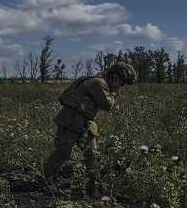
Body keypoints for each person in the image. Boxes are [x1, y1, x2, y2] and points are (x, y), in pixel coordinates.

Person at [44, 61, 137, 198]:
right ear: (114, 77)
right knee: (62, 153)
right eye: (121, 83)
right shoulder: (97, 83)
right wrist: (114, 93)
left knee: (92, 156)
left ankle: (93, 188)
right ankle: (45, 182)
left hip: (84, 123)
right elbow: (108, 105)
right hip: (70, 122)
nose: (120, 87)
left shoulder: (100, 83)